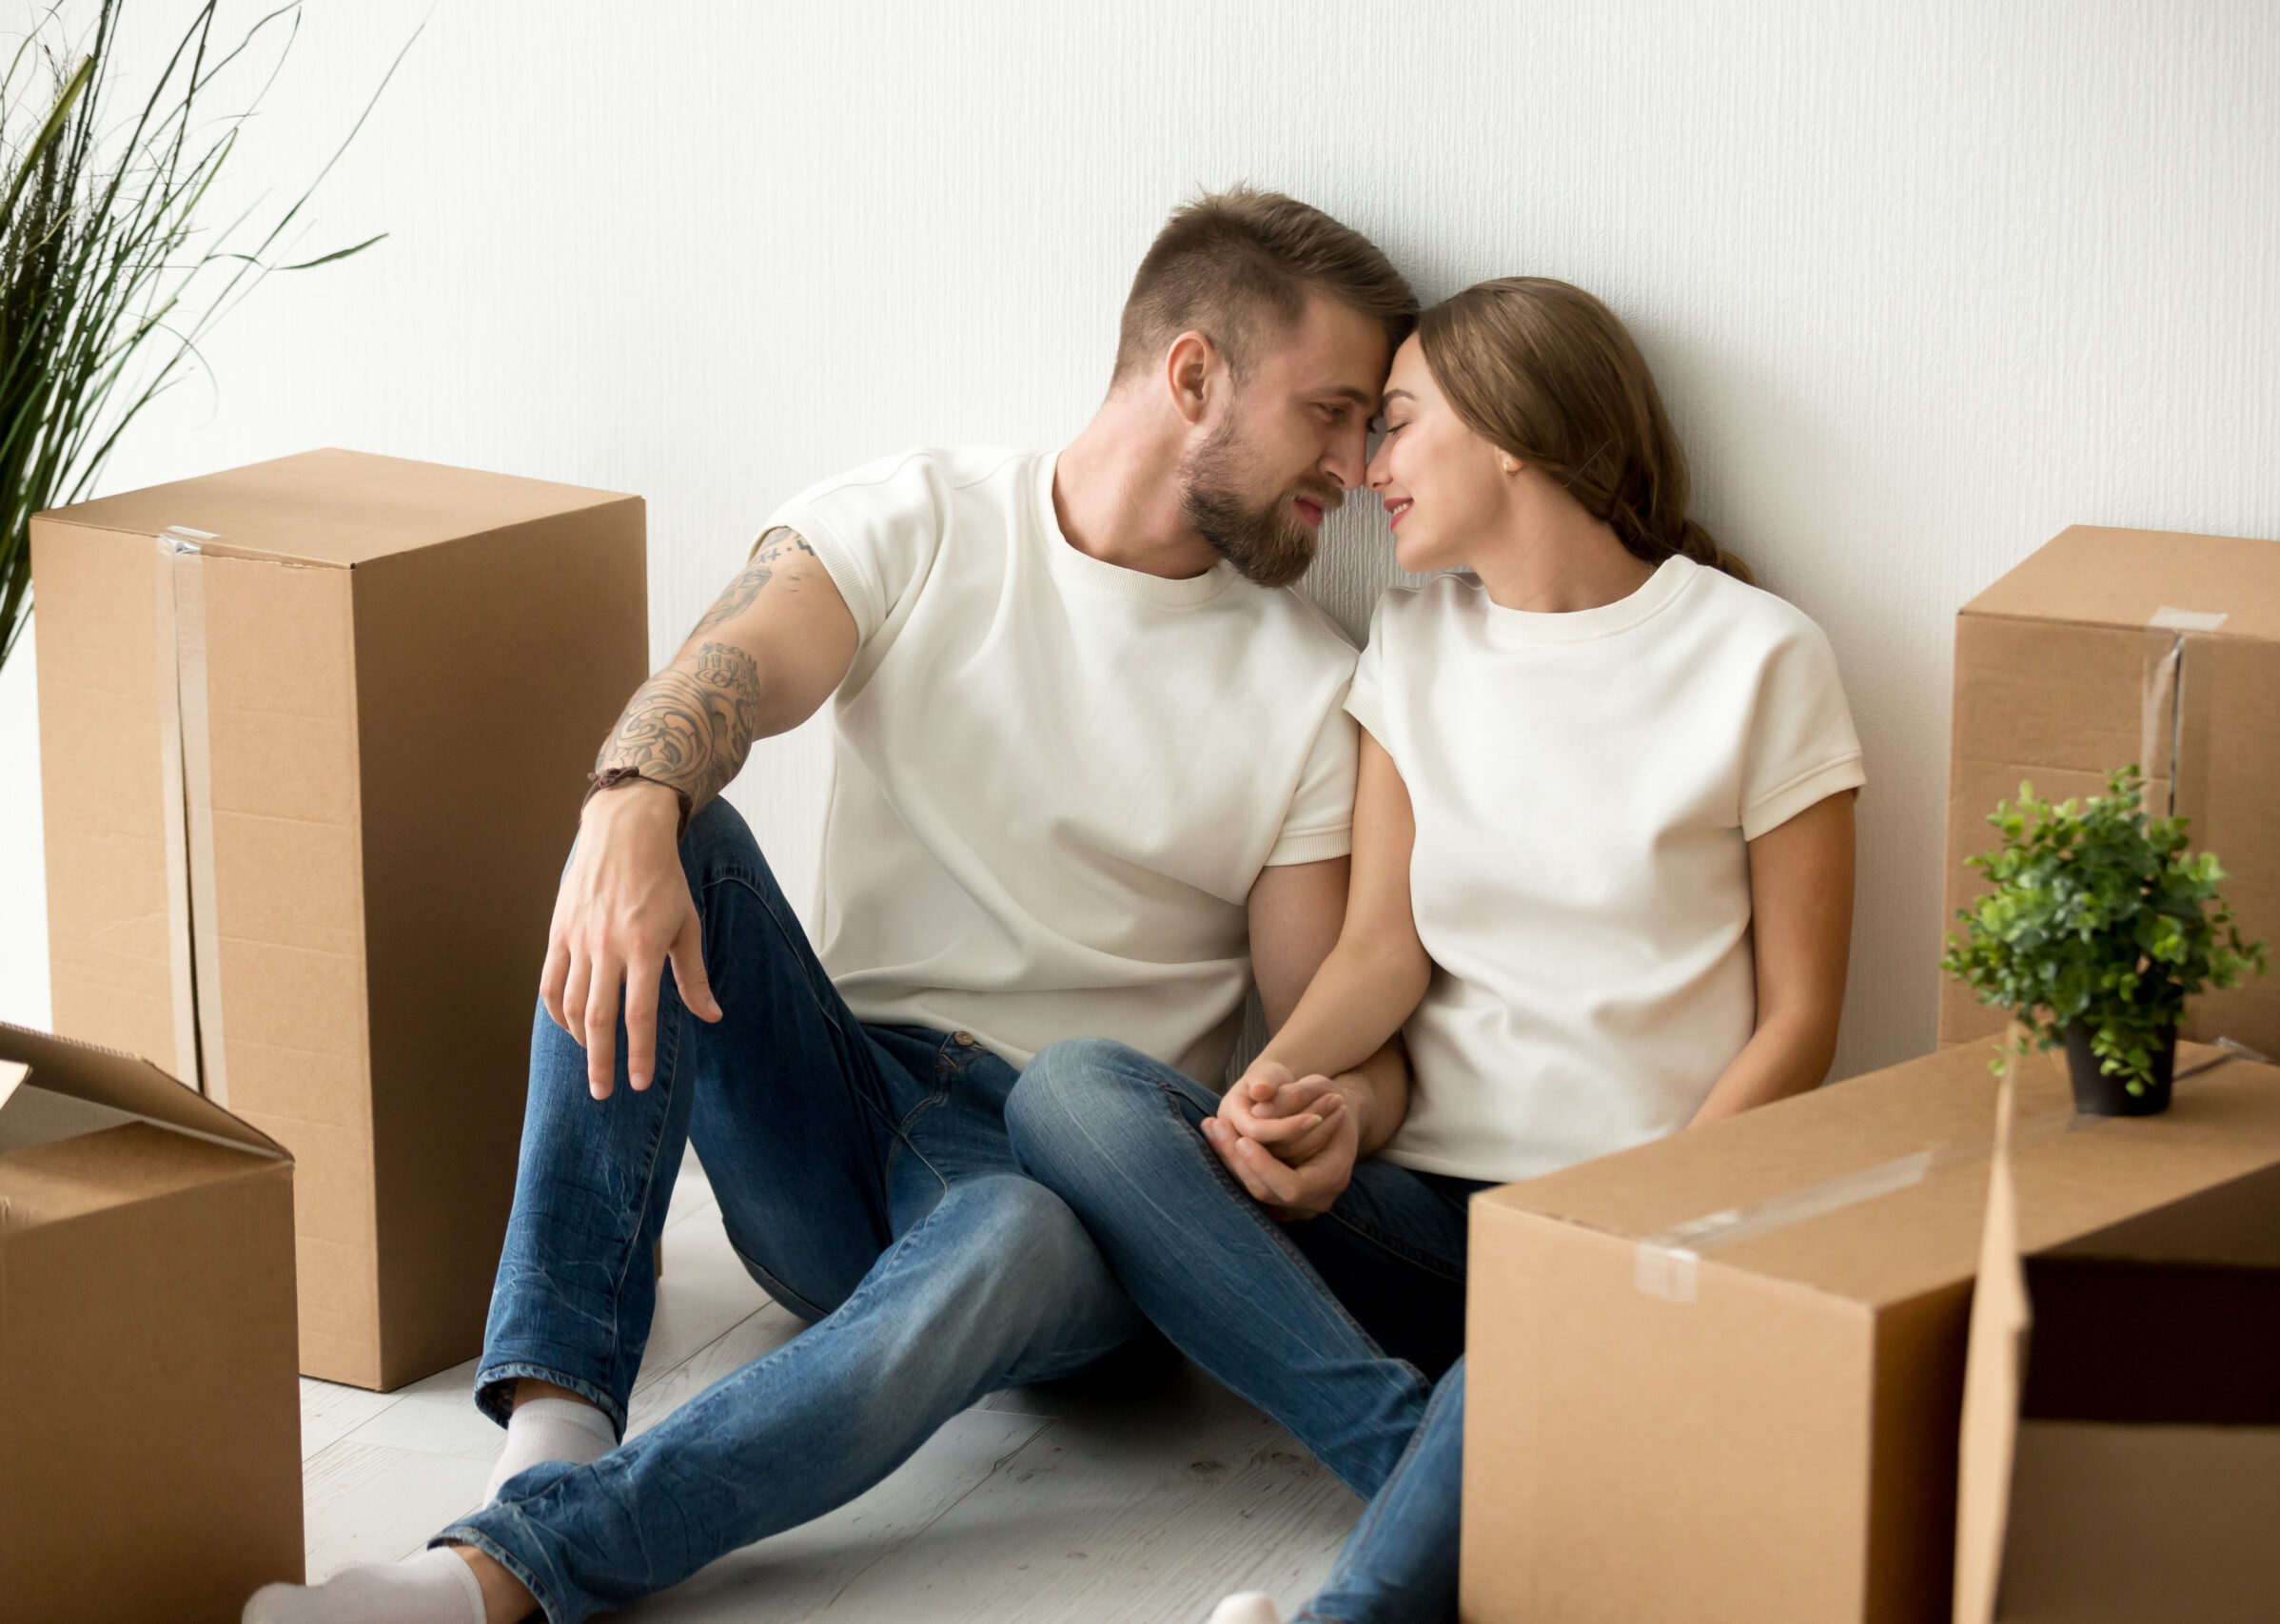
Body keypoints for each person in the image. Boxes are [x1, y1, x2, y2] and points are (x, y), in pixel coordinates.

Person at [246, 186, 1418, 1624]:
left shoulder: (1307, 690)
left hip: (1070, 1191)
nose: (1359, 468)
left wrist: (1335, 1112)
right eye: (1336, 412)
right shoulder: (923, 520)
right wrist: (629, 805)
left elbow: (1321, 1024)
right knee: (665, 819)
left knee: (1013, 1227)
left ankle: (509, 1570)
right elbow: (734, 667)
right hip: (839, 1113)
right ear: (1194, 375)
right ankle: (557, 1414)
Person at [1007, 276, 1865, 1624]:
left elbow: (1800, 1021)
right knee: (1071, 1095)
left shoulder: (1762, 657)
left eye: (1397, 425)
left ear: (1514, 429)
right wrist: (1268, 1093)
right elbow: (1379, 956)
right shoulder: (1414, 643)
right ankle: (1433, 1447)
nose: (1365, 472)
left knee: (1519, 1348)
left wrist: (1643, 1235)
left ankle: (1382, 1571)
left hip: (1634, 1225)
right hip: (1424, 1215)